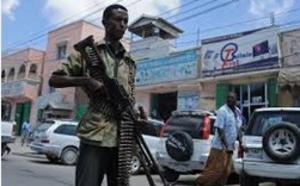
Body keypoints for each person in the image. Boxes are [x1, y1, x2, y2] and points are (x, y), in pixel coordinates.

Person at [48, 4, 136, 186]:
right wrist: (85, 81)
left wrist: (136, 112)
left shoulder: (130, 61)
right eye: (118, 20)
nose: (122, 25)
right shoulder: (88, 53)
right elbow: (54, 79)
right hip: (96, 133)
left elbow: (129, 95)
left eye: (125, 21)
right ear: (105, 22)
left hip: (123, 135)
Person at [196, 92, 243, 186]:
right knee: (214, 172)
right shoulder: (222, 111)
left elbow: (238, 128)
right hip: (219, 147)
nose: (230, 99)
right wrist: (226, 146)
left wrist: (241, 143)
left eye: (232, 98)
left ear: (236, 100)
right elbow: (220, 129)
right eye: (228, 98)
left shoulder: (237, 111)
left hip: (230, 147)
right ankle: (199, 183)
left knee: (226, 171)